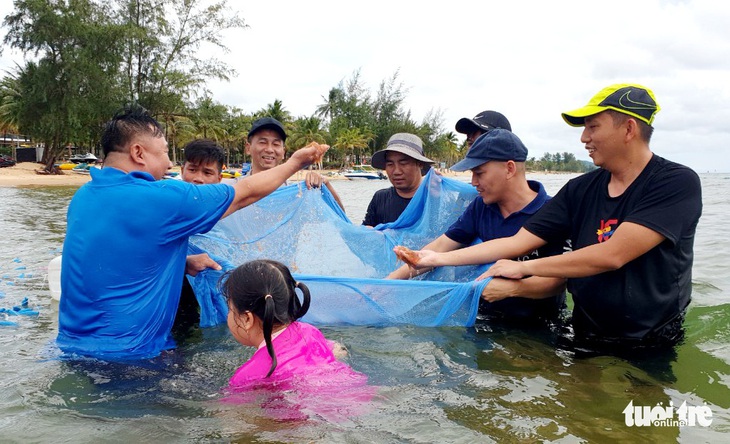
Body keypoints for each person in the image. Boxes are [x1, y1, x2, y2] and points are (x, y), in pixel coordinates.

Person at [403, 83, 702, 351]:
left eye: (593, 127)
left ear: (628, 129)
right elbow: (516, 242)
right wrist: (433, 259)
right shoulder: (579, 189)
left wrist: (524, 270)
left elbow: (613, 254)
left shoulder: (675, 183)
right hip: (584, 334)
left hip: (651, 341)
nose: (584, 137)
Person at [57, 107, 326, 360]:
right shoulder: (162, 198)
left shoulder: (84, 197)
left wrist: (182, 263)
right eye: (163, 152)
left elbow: (114, 257)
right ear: (139, 153)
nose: (169, 162)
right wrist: (295, 162)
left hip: (70, 349)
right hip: (133, 357)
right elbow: (247, 193)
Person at [388, 129, 567, 323]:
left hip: (538, 326)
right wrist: (388, 283)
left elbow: (560, 279)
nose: (473, 182)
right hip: (483, 319)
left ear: (509, 169)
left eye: (479, 173)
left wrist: (513, 290)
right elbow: (440, 247)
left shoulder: (552, 211)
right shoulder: (481, 206)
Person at [222, 259, 363, 386]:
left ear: (247, 319)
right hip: (355, 387)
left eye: (230, 309)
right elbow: (336, 350)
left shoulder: (247, 377)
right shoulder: (309, 331)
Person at [244, 116, 344, 210]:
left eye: (276, 144)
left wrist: (325, 184)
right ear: (248, 148)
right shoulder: (232, 189)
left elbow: (340, 217)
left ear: (283, 152)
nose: (270, 149)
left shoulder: (298, 193)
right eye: (263, 142)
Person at [362, 133, 435, 226]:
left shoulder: (434, 198)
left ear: (420, 164)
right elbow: (367, 228)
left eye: (403, 163)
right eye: (390, 164)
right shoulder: (380, 198)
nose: (396, 171)